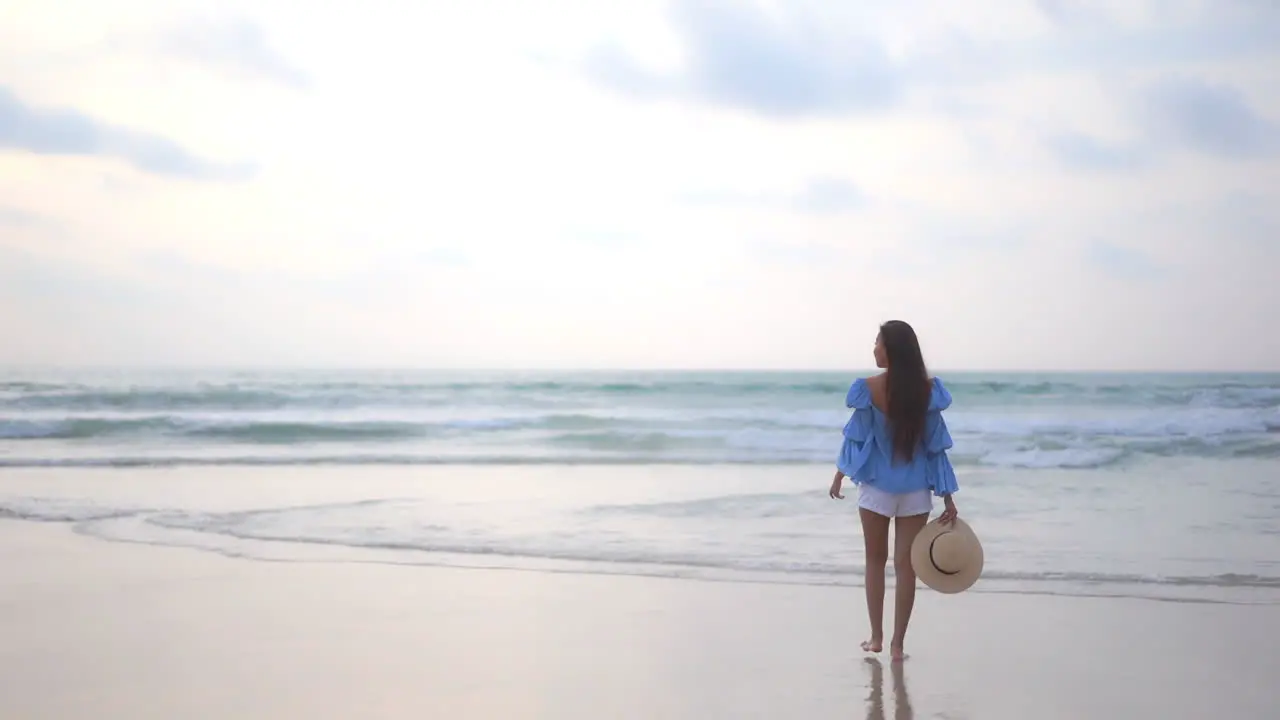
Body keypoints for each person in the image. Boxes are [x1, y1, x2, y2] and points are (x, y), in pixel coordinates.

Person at [827, 320, 959, 662]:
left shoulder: (867, 389)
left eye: (878, 343)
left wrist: (840, 473)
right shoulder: (928, 390)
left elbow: (856, 436)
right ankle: (898, 645)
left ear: (892, 349)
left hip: (876, 489)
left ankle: (876, 637)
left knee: (874, 561)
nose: (874, 349)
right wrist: (947, 495)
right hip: (915, 491)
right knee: (906, 567)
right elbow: (936, 447)